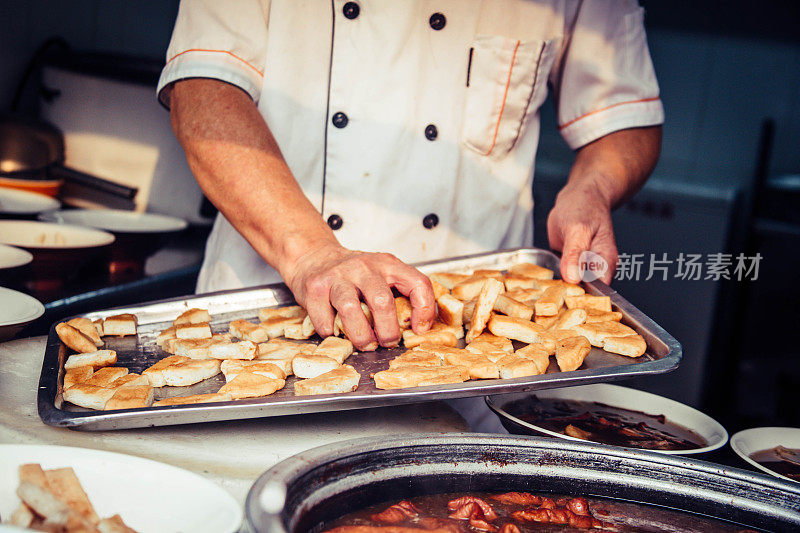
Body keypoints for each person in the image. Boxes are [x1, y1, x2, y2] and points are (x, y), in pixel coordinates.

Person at [158, 0, 663, 431]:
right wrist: (312, 252)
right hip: (263, 326)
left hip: (479, 364)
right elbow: (202, 91)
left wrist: (592, 188)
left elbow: (625, 117)